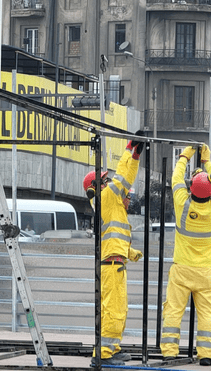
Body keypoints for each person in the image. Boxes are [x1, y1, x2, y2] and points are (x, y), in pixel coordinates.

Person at [83, 131, 144, 366]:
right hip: (112, 264)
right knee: (114, 309)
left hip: (114, 262)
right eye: (105, 180)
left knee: (115, 308)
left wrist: (130, 253)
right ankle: (105, 353)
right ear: (97, 186)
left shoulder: (109, 205)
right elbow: (123, 177)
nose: (110, 182)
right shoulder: (106, 197)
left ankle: (110, 349)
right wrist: (131, 151)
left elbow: (113, 236)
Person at [161, 144, 211, 367]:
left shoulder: (182, 204)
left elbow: (176, 178)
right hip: (207, 271)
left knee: (173, 311)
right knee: (208, 314)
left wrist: (184, 156)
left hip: (182, 269)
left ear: (191, 190)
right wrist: (206, 161)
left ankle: (169, 352)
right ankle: (206, 355)